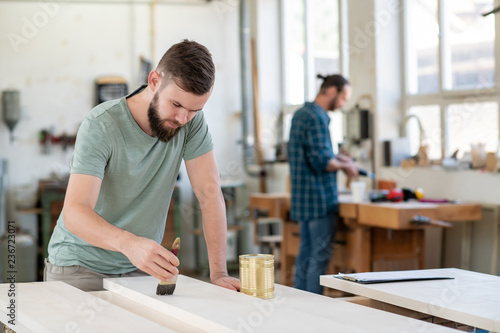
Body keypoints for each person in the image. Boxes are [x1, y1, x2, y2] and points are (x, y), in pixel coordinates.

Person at [45, 39, 240, 292]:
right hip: (80, 266)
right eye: (176, 104)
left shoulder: (191, 122)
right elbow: (75, 212)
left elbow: (209, 193)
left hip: (140, 269)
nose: (182, 119)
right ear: (154, 81)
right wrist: (130, 244)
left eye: (194, 110)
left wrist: (219, 273)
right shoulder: (101, 125)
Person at [288, 74, 359, 294]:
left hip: (302, 200)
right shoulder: (317, 117)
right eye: (343, 97)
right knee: (318, 260)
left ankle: (299, 307)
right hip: (319, 200)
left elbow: (315, 153)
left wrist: (339, 158)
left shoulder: (301, 114)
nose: (343, 103)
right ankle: (312, 312)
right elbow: (321, 161)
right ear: (331, 91)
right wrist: (345, 166)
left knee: (305, 255)